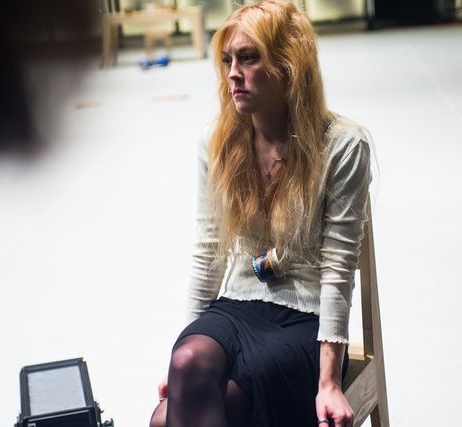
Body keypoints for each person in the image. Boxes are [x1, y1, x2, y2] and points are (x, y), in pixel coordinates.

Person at [150, 1, 372, 426]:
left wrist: (329, 381)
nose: (233, 73)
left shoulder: (342, 145)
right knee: (188, 362)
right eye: (227, 60)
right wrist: (180, 374)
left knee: (168, 421)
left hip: (306, 320)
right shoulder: (217, 142)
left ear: (289, 65)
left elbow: (338, 268)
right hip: (236, 304)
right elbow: (208, 251)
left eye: (248, 58)